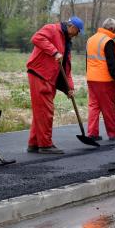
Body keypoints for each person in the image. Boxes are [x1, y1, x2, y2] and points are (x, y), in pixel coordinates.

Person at [26, 17, 84, 154]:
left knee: (40, 112)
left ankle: (34, 143)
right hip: (40, 74)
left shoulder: (66, 42)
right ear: (72, 27)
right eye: (77, 32)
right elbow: (36, 38)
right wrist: (54, 51)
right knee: (46, 111)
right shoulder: (52, 29)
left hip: (50, 78)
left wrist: (70, 88)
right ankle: (45, 145)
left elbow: (66, 68)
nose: (76, 35)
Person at [86, 18, 115, 141]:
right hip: (105, 80)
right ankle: (114, 133)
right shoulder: (108, 41)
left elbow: (88, 60)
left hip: (91, 78)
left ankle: (92, 133)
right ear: (111, 29)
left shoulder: (91, 39)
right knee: (108, 107)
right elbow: (111, 64)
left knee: (94, 106)